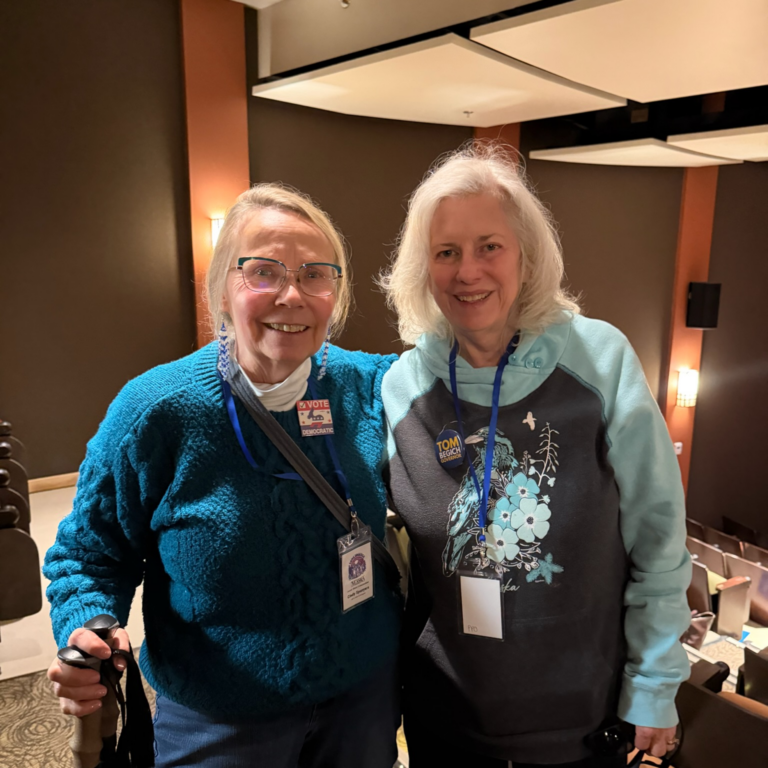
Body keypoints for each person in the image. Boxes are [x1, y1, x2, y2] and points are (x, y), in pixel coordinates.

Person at [45, 184, 402, 767]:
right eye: (263, 271)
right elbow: (87, 554)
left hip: (360, 707)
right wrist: (87, 626)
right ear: (221, 289)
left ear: (336, 293)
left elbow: (469, 363)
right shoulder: (156, 410)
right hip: (221, 721)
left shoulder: (369, 384)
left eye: (316, 274)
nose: (292, 294)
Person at [379, 144, 691, 768]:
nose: (468, 271)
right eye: (446, 252)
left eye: (489, 246)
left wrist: (655, 684)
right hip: (446, 726)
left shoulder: (601, 360)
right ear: (423, 268)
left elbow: (659, 536)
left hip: (582, 725)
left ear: (525, 253)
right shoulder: (401, 388)